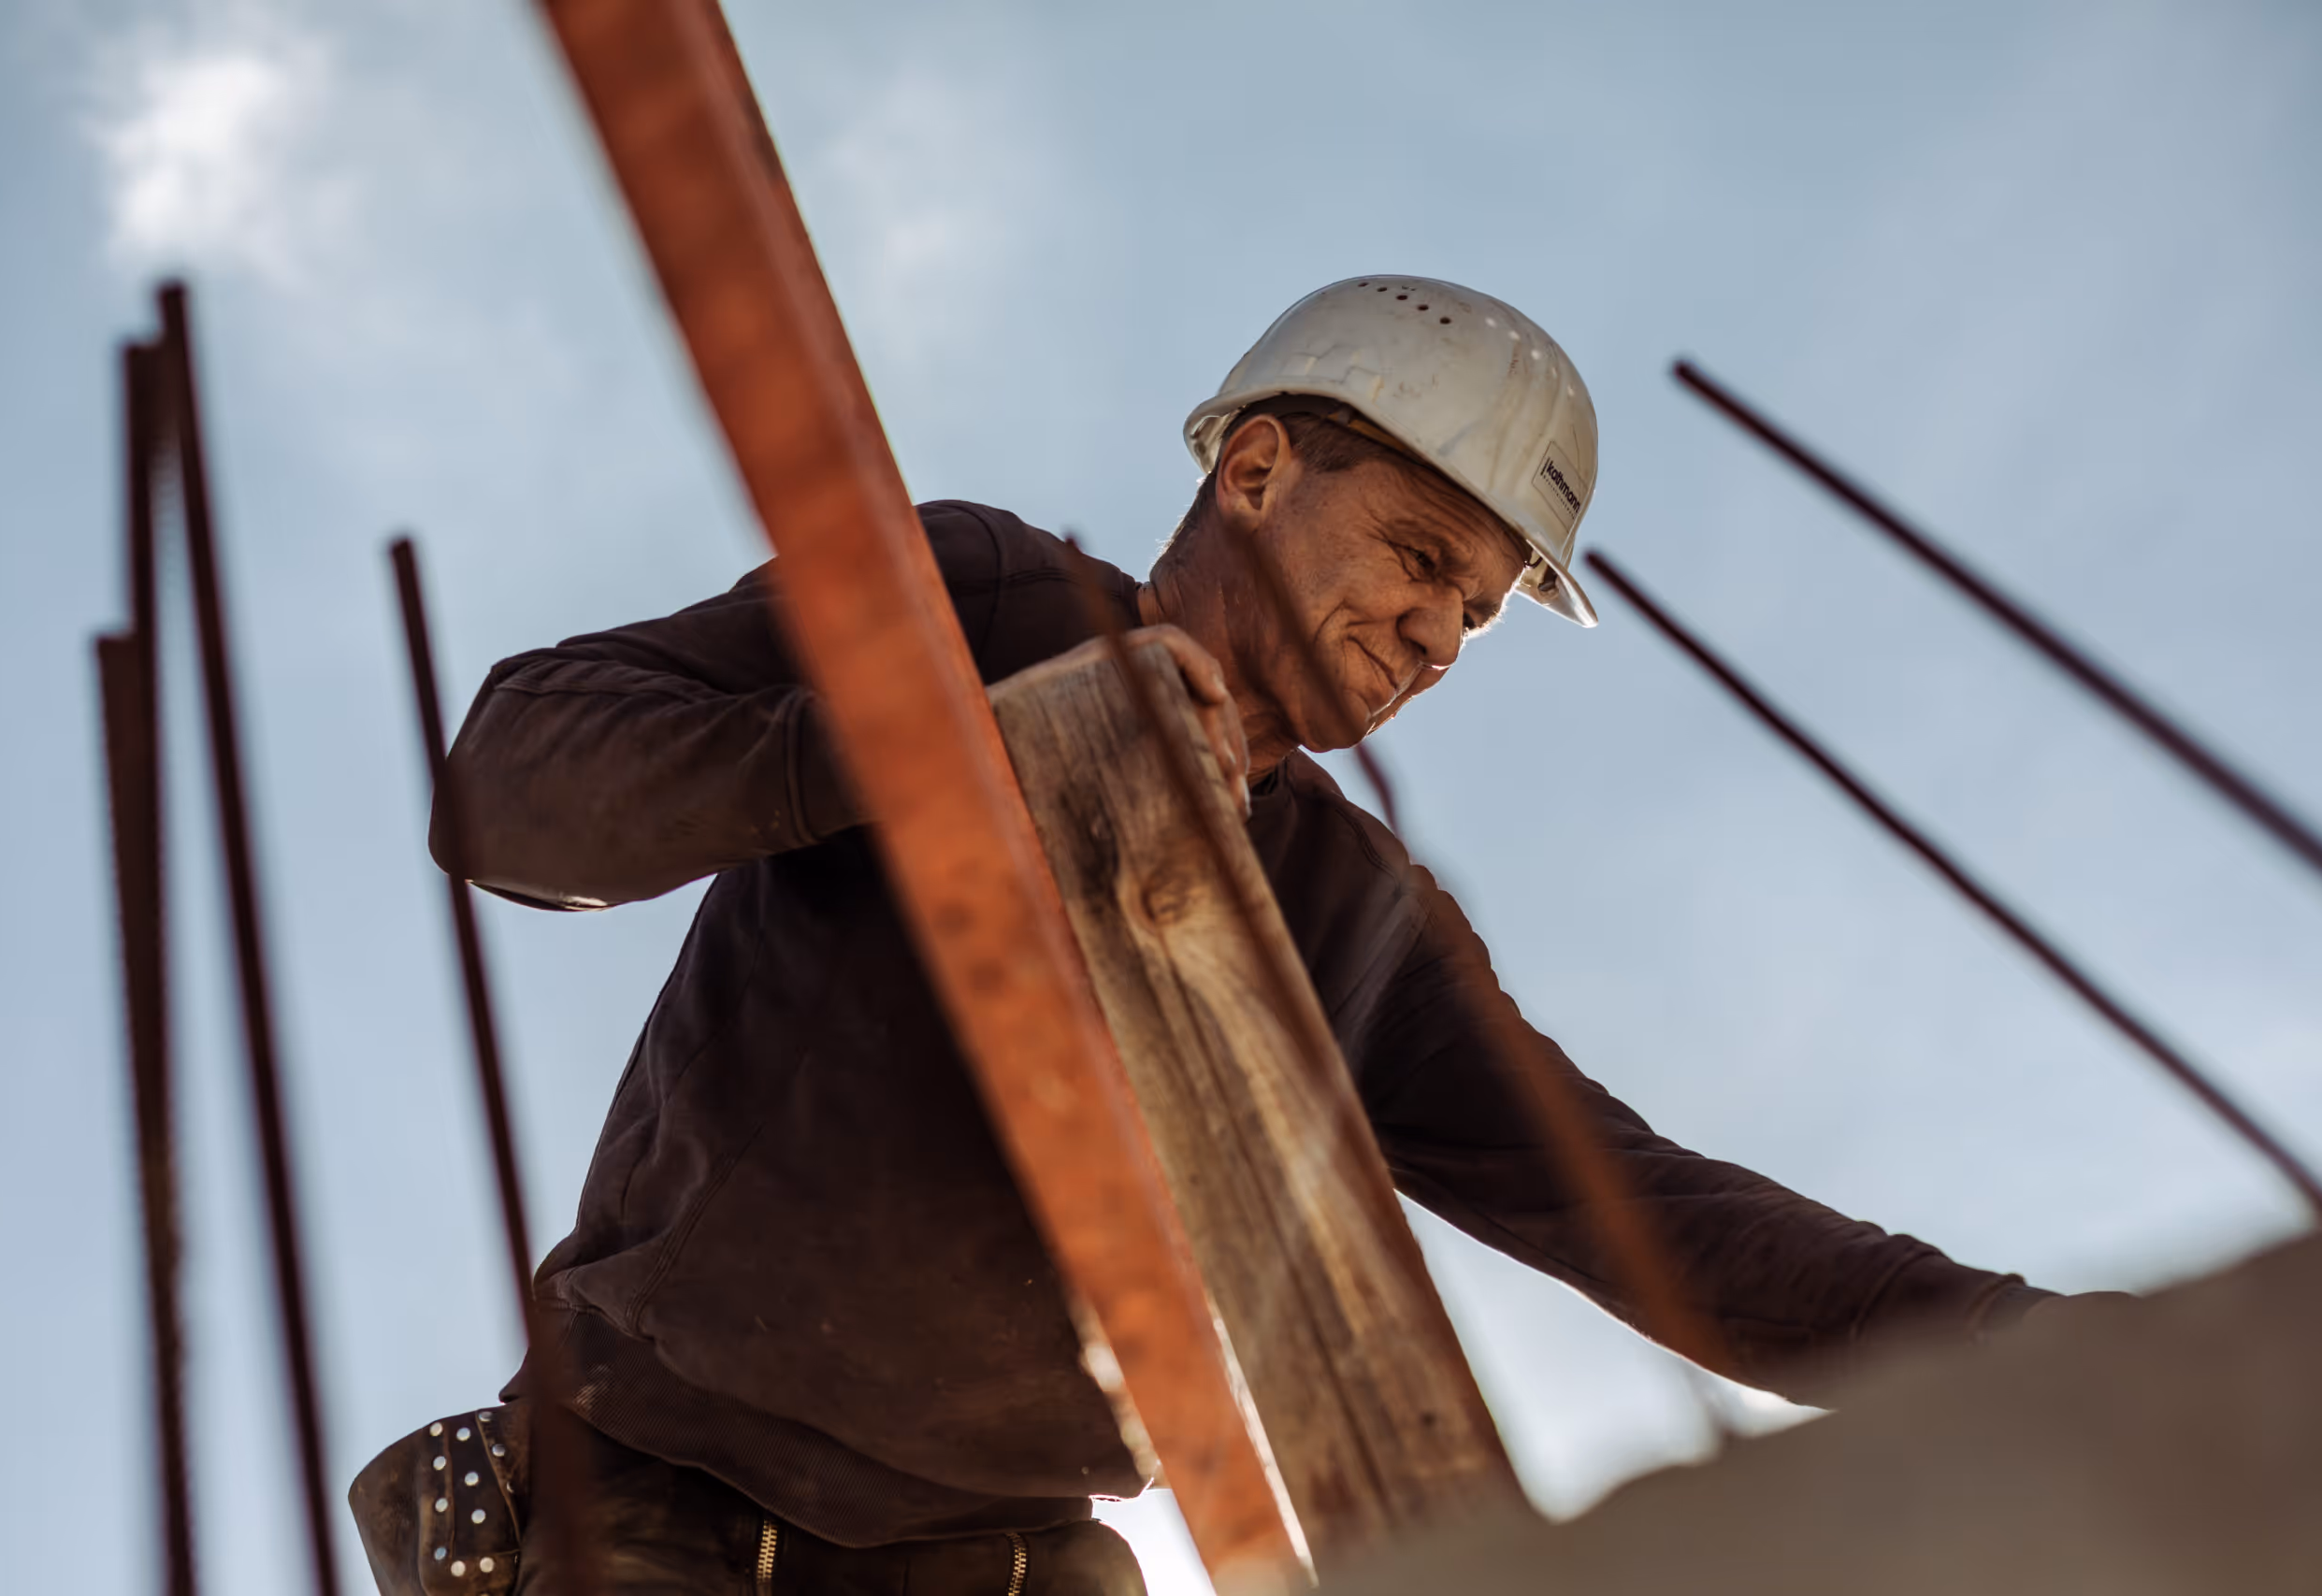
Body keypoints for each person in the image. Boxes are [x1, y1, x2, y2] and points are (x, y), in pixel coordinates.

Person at [352, 278, 2066, 1596]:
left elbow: (1633, 1205)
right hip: (650, 1483)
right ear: (1256, 469)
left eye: (1472, 608)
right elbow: (511, 781)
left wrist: (2010, 1346)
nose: (1437, 635)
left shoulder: (1348, 913)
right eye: (1415, 554)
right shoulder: (982, 598)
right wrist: (904, 748)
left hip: (1011, 1560)